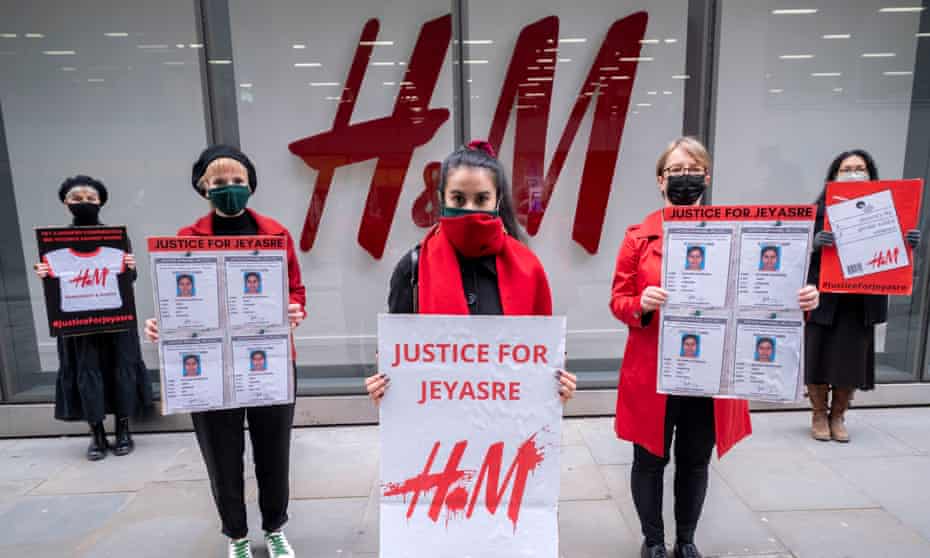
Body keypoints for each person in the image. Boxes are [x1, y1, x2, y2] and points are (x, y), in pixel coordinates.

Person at [610, 137, 820, 558]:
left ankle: (685, 539)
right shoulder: (638, 237)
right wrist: (641, 305)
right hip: (654, 371)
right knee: (650, 459)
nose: (683, 177)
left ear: (706, 176)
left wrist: (799, 302)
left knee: (694, 459)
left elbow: (763, 290)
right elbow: (619, 302)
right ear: (660, 180)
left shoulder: (738, 235)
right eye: (675, 170)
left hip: (710, 371)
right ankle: (653, 541)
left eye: (693, 168)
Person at [144, 145, 306, 558]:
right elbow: (175, 298)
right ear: (203, 188)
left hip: (269, 361)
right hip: (210, 367)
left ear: (250, 183)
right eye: (218, 182)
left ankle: (274, 527)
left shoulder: (276, 234)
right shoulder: (187, 239)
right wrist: (162, 324)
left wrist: (295, 309)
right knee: (221, 454)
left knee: (274, 450)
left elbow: (296, 289)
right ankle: (235, 535)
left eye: (237, 180)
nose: (229, 188)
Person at [365, 140, 576, 403]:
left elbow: (544, 360)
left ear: (497, 200)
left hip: (509, 428)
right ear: (442, 198)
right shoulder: (412, 267)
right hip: (437, 430)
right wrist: (383, 387)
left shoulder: (528, 269)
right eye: (458, 198)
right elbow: (397, 363)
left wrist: (557, 388)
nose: (469, 210)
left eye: (481, 199)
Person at [34, 175, 153, 461]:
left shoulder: (117, 237)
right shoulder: (54, 243)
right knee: (87, 373)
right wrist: (45, 274)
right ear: (66, 203)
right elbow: (56, 283)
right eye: (77, 198)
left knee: (121, 368)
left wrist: (130, 267)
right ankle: (96, 433)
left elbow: (129, 278)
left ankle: (123, 430)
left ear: (101, 202)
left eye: (90, 198)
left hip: (115, 318)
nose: (84, 203)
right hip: (77, 323)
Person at [805, 149, 920, 443]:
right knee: (817, 356)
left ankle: (838, 415)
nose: (854, 173)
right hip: (825, 296)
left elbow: (894, 257)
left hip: (861, 300)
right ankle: (819, 413)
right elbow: (795, 255)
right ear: (834, 175)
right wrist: (814, 245)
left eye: (860, 168)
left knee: (850, 359)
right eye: (847, 168)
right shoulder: (817, 211)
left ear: (870, 174)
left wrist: (907, 242)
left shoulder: (888, 209)